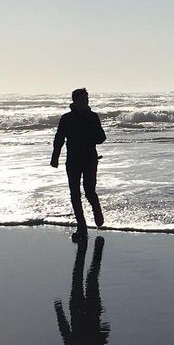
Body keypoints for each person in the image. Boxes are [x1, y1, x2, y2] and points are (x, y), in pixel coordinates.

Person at [50, 87, 106, 243]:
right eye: (83, 99)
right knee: (75, 194)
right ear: (75, 101)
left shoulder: (93, 117)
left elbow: (101, 138)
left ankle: (97, 212)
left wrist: (89, 133)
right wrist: (55, 157)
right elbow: (59, 139)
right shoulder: (66, 118)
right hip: (73, 161)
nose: (86, 101)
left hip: (89, 159)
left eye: (87, 99)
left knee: (89, 192)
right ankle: (82, 227)